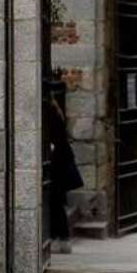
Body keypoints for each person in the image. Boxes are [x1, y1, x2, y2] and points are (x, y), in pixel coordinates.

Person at [47, 96, 84, 254]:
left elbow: (54, 141)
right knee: (58, 203)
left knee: (55, 203)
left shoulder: (51, 114)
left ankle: (59, 238)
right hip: (60, 163)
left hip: (57, 165)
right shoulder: (56, 112)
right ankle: (61, 238)